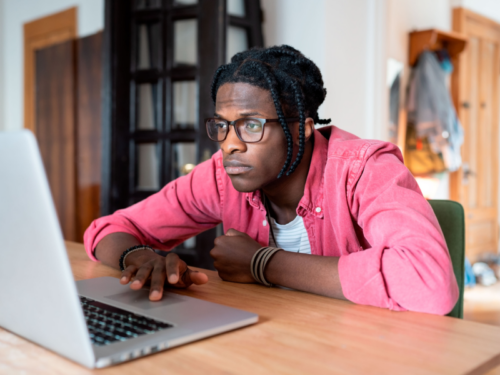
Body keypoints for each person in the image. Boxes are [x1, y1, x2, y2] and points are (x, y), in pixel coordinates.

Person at [84, 45, 458, 315]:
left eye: (251, 125)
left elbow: (431, 284)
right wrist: (139, 256)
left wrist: (262, 263)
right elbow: (108, 230)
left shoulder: (365, 169)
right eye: (222, 125)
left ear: (305, 129)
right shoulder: (219, 175)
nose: (230, 144)